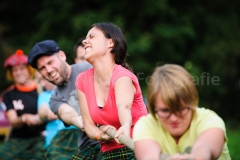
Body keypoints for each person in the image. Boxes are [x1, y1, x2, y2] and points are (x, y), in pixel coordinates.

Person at [75, 22, 148, 159]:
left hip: (137, 148)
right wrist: (99, 135)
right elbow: (89, 125)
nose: (85, 41)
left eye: (92, 36)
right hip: (107, 151)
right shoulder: (82, 80)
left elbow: (123, 108)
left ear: (110, 43)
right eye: (86, 38)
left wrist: (125, 127)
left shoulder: (122, 77)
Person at [133, 64, 231, 160]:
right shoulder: (145, 125)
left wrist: (195, 158)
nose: (174, 118)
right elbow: (148, 156)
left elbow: (205, 148)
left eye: (180, 109)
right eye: (165, 110)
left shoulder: (209, 121)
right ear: (153, 107)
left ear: (192, 101)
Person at [27, 40, 101, 159]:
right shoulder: (54, 98)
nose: (49, 70)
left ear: (62, 55)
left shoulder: (88, 69)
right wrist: (76, 119)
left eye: (50, 62)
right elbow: (65, 112)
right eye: (42, 68)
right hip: (89, 146)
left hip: (115, 138)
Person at [0, 49, 46, 159]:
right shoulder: (8, 94)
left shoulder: (42, 89)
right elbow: (13, 121)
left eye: (21, 69)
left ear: (29, 70)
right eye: (15, 70)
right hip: (18, 138)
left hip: (41, 137)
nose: (18, 72)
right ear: (11, 74)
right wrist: (25, 118)